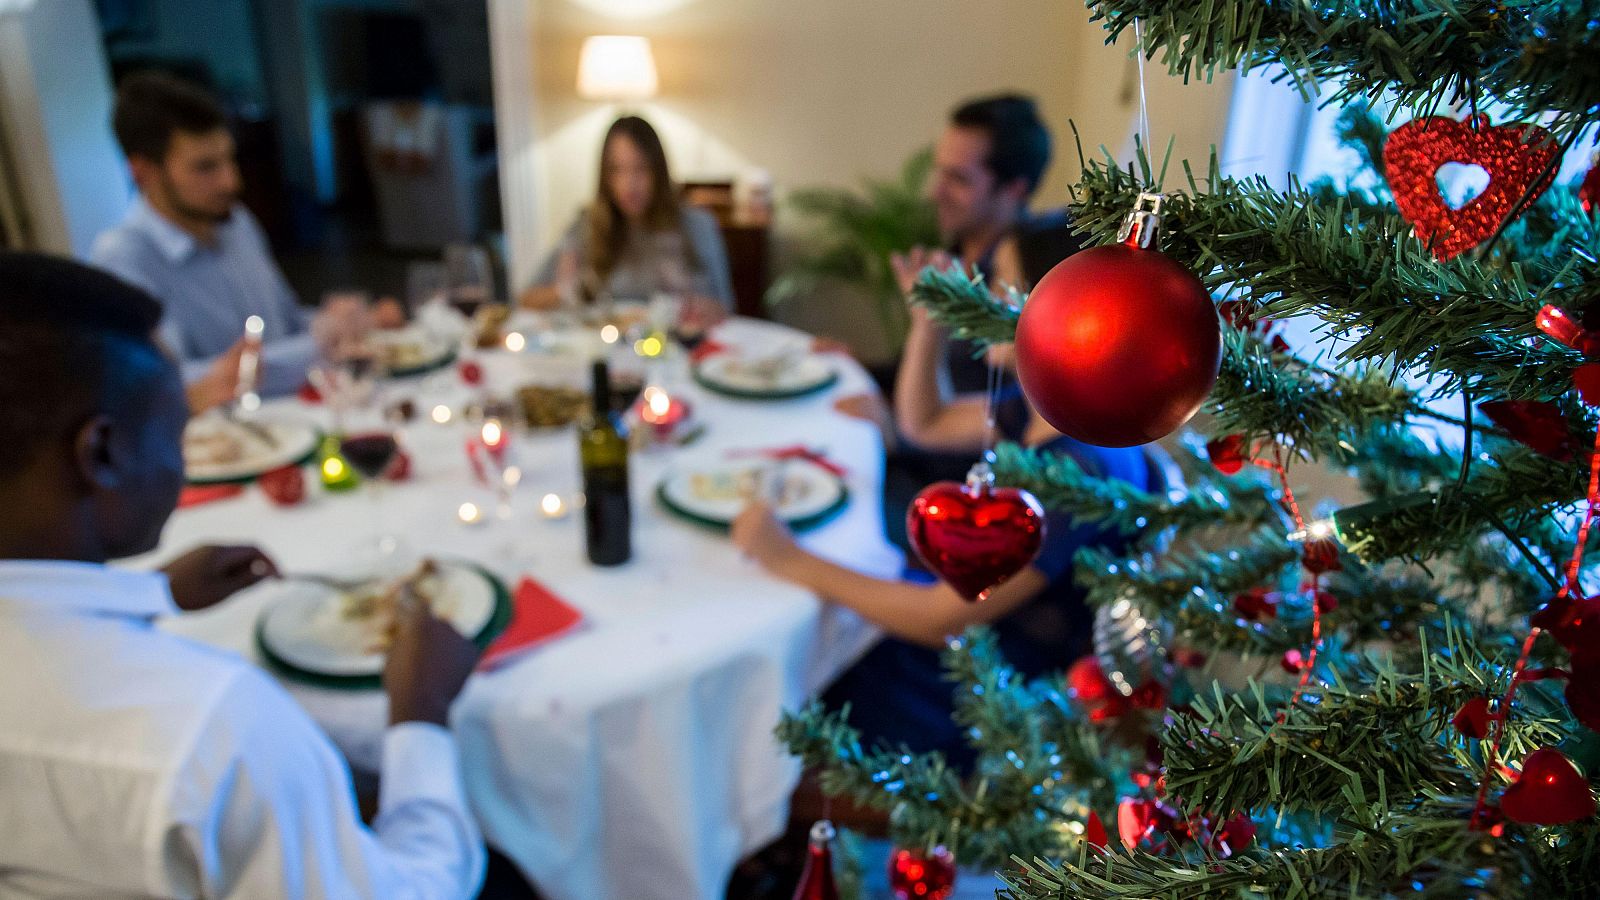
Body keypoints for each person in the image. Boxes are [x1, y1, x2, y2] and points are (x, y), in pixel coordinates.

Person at [0, 253, 486, 897]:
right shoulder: (213, 735)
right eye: (178, 434)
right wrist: (419, 715)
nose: (182, 459)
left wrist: (154, 592)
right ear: (103, 452)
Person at [732, 295, 1158, 768]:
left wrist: (787, 558)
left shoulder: (1082, 467)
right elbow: (924, 423)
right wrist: (926, 323)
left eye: (1009, 289)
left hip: (979, 680)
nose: (990, 297)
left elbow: (944, 621)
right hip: (958, 629)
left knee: (776, 684)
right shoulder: (1048, 412)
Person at [90, 72, 380, 414]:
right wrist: (319, 342)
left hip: (300, 412)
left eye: (231, 159)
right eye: (206, 167)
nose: (232, 181)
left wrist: (335, 321)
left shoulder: (236, 222)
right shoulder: (124, 257)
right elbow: (172, 381)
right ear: (143, 172)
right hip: (228, 444)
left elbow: (283, 321)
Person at [520, 116, 733, 326]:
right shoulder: (587, 225)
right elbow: (526, 298)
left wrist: (703, 308)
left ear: (658, 171)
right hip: (607, 350)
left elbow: (726, 309)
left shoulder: (696, 225)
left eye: (640, 168)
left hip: (677, 351)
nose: (628, 184)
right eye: (616, 170)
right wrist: (565, 290)